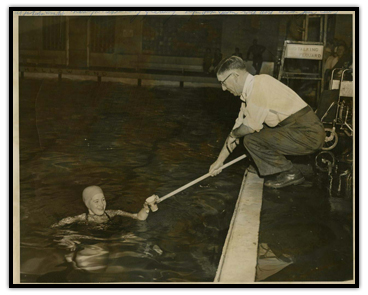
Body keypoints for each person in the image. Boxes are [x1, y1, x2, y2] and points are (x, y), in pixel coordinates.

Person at [209, 56, 325, 189]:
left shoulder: (259, 85)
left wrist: (235, 135)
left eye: (223, 82)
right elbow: (235, 131)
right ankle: (265, 164)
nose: (223, 88)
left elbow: (247, 129)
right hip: (299, 130)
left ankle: (290, 173)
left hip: (308, 133)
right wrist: (219, 162)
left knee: (250, 139)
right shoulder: (249, 94)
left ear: (235, 75)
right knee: (247, 132)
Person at [51, 186, 149, 227]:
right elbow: (55, 228)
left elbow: (138, 217)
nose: (101, 204)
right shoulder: (81, 218)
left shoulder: (112, 213)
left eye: (103, 200)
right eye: (96, 201)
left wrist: (146, 207)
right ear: (87, 204)